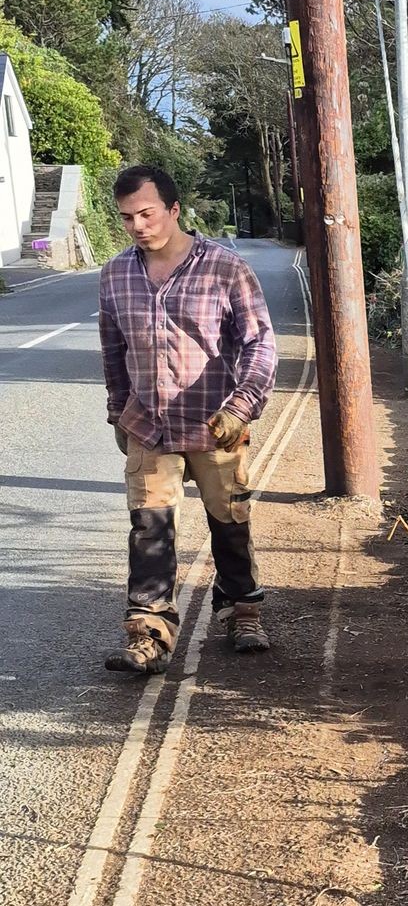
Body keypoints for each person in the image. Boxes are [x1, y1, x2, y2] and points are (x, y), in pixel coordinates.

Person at [97, 164, 278, 674]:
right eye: (128, 217)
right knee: (149, 527)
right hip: (147, 425)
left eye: (147, 213)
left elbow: (260, 344)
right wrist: (118, 411)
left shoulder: (225, 268)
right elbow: (112, 351)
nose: (137, 225)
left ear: (175, 210)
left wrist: (241, 406)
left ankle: (242, 609)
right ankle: (149, 632)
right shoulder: (114, 274)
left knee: (230, 520)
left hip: (216, 422)